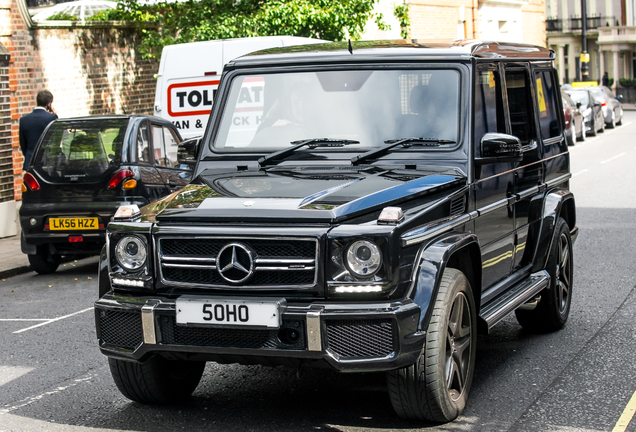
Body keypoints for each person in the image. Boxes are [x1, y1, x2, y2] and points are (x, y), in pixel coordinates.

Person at [19, 90, 58, 168]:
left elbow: (23, 144)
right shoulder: (52, 117)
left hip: (30, 161)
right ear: (49, 103)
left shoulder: (24, 120)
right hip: (47, 161)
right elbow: (56, 140)